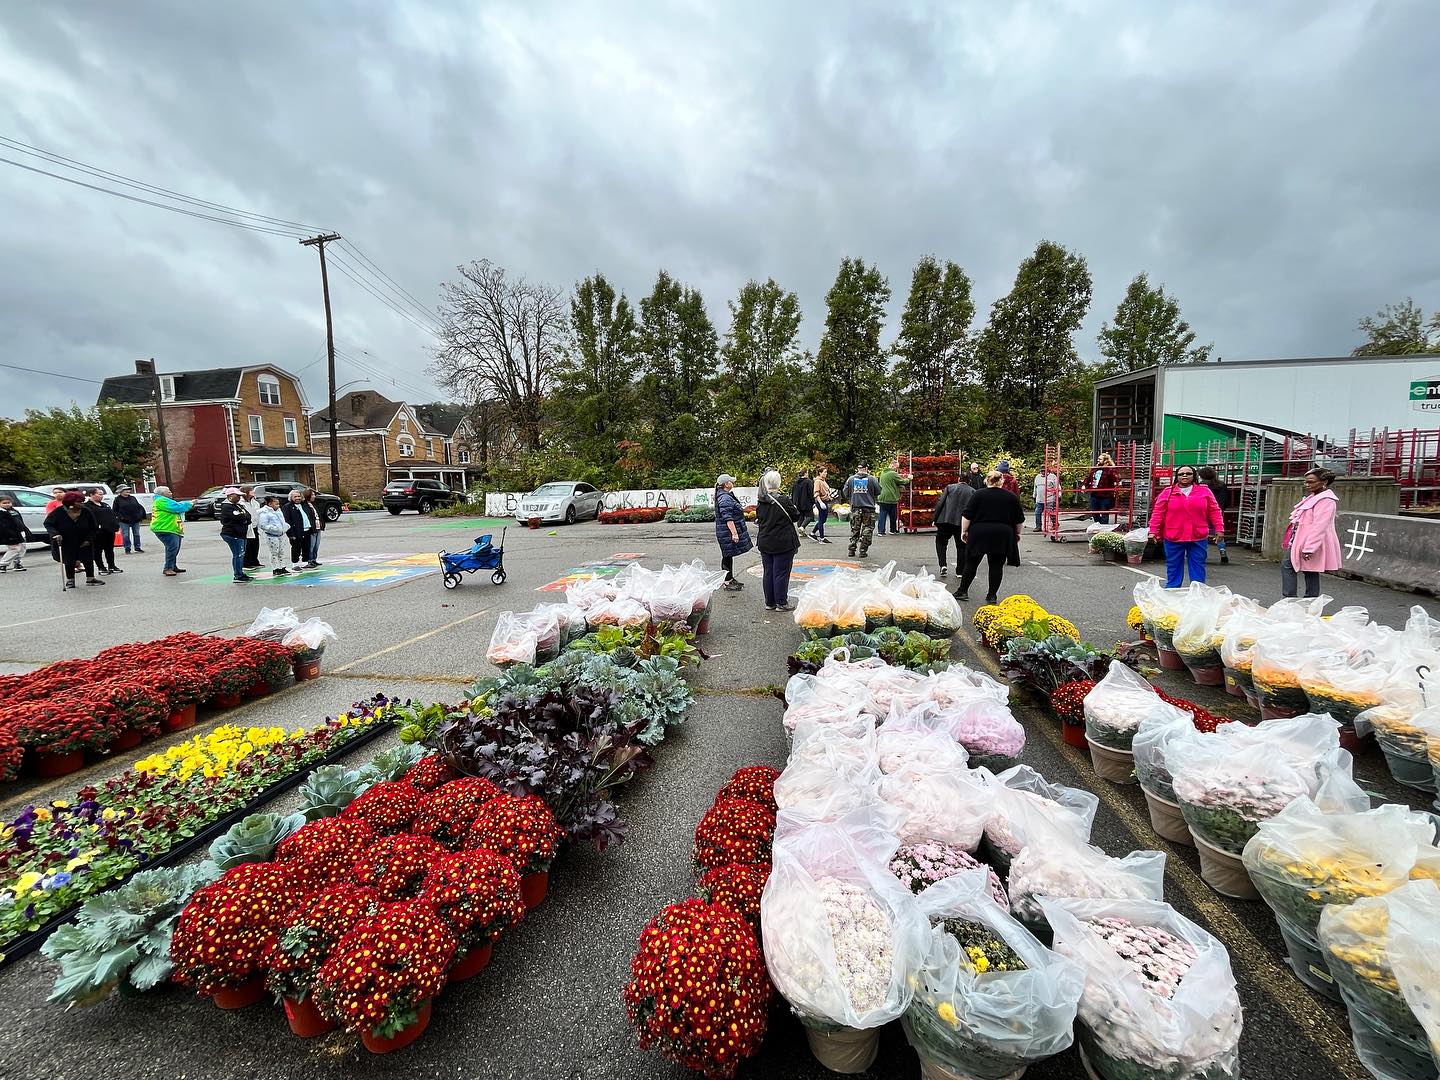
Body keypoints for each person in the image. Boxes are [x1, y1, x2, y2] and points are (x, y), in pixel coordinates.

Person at [1147, 465, 1224, 589]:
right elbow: (1158, 513)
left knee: (1198, 565)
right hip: (1174, 536)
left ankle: (1198, 593)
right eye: (1181, 474)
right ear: (1176, 477)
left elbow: (1214, 511)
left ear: (1194, 476)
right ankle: (1172, 592)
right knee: (1173, 566)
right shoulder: (1167, 492)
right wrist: (1153, 531)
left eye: (1188, 473)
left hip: (1198, 536)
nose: (1185, 476)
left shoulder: (1204, 491)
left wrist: (1219, 529)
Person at [955, 471, 1024, 604]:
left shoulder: (978, 494)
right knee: (996, 565)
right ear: (1001, 481)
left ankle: (962, 591)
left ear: (987, 481)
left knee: (971, 563)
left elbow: (967, 515)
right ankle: (992, 595)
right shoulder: (1011, 497)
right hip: (1002, 533)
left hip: (979, 532)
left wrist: (964, 531)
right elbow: (1019, 519)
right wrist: (1018, 533)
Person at [1282, 468, 1341, 599]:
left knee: (1291, 566)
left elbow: (1320, 526)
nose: (1307, 484)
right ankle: (1307, 600)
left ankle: (1291, 599)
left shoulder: (1326, 501)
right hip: (1302, 539)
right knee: (1310, 570)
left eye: (1311, 482)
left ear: (1324, 482)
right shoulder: (1315, 497)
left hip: (1309, 541)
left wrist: (1310, 547)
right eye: (1306, 482)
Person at [756, 469, 802, 611]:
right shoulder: (783, 500)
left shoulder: (761, 501)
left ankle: (770, 602)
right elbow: (795, 516)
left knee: (768, 572)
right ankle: (781, 602)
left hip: (765, 540)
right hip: (783, 541)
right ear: (778, 482)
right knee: (781, 572)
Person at [44, 492, 102, 589]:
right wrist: (55, 534)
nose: (82, 504)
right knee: (69, 560)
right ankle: (70, 580)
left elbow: (94, 527)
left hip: (84, 539)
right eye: (79, 502)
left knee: (88, 558)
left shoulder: (86, 511)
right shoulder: (59, 512)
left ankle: (90, 578)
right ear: (70, 503)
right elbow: (48, 524)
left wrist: (89, 539)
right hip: (66, 540)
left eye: (83, 502)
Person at [712, 474, 752, 590]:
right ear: (726, 484)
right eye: (730, 481)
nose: (732, 483)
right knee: (727, 555)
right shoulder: (725, 498)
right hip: (727, 532)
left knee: (728, 555)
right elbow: (728, 518)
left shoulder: (725, 495)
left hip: (725, 532)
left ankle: (729, 578)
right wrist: (734, 533)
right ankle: (727, 581)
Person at [932, 476, 974, 580]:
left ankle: (943, 564)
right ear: (969, 481)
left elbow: (940, 503)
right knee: (961, 546)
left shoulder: (950, 487)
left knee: (941, 542)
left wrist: (935, 518)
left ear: (959, 479)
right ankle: (960, 571)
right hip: (962, 522)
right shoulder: (972, 491)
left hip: (945, 519)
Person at [150, 486, 193, 577]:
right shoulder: (162, 501)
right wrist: (189, 503)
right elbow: (177, 507)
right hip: (165, 528)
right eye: (168, 491)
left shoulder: (163, 501)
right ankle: (168, 568)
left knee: (174, 548)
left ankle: (172, 566)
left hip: (171, 528)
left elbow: (176, 505)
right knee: (172, 548)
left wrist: (187, 503)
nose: (171, 493)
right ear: (162, 494)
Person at [842, 463, 881, 559]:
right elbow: (878, 491)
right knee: (867, 528)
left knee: (855, 529)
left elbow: (845, 492)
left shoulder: (850, 479)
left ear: (858, 469)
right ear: (866, 468)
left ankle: (852, 549)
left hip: (855, 507)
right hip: (868, 508)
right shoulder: (872, 479)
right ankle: (863, 550)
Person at [217, 487, 255, 583]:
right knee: (238, 554)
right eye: (237, 495)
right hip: (232, 534)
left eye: (239, 496)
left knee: (241, 554)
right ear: (230, 496)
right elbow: (237, 518)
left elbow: (248, 516)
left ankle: (240, 573)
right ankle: (238, 575)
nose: (238, 498)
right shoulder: (227, 507)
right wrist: (243, 518)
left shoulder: (238, 506)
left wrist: (244, 518)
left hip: (241, 534)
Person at [1197, 466, 1230, 565]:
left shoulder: (1201, 486)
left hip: (1203, 512)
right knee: (1218, 532)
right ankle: (1222, 550)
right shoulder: (1222, 485)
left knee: (1203, 534)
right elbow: (1226, 499)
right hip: (1218, 511)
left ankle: (1202, 554)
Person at [86, 488, 121, 574]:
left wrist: (116, 526)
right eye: (99, 494)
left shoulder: (105, 505)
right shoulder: (87, 506)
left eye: (102, 494)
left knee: (109, 549)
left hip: (109, 531)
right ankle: (101, 567)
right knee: (97, 550)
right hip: (97, 532)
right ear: (91, 495)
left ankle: (112, 566)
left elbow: (111, 516)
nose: (102, 496)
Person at [283, 490, 319, 572]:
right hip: (296, 531)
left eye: (299, 496)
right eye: (295, 497)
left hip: (307, 530)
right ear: (291, 498)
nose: (297, 498)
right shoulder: (287, 507)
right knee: (296, 548)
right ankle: (295, 564)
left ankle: (305, 562)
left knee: (306, 547)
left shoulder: (304, 505)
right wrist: (290, 533)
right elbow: (287, 520)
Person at [257, 495, 290, 576]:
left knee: (281, 551)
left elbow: (282, 521)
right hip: (271, 535)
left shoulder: (279, 511)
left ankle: (282, 567)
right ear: (269, 504)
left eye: (278, 504)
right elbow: (263, 525)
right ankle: (275, 568)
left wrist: (285, 527)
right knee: (274, 552)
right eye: (276, 504)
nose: (278, 506)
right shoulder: (264, 512)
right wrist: (274, 529)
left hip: (281, 534)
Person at [1083, 454, 1120, 526]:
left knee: (1104, 513)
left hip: (1105, 495)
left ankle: (1103, 528)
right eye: (1098, 459)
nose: (1098, 460)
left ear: (1105, 460)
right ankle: (1098, 525)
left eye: (1100, 459)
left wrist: (1109, 468)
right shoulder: (1095, 469)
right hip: (1094, 493)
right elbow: (1088, 478)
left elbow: (1117, 478)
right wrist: (1085, 485)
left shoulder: (1110, 470)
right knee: (1094, 512)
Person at [876, 460, 910, 536]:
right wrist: (909, 478)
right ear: (892, 465)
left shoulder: (883, 472)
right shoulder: (893, 473)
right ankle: (893, 529)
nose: (896, 470)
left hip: (882, 496)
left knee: (882, 514)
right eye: (896, 468)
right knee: (893, 515)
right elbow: (902, 482)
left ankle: (881, 531)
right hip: (891, 497)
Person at [113, 485, 146, 553]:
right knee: (125, 535)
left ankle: (137, 547)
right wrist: (119, 517)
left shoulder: (133, 498)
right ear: (121, 491)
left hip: (135, 519)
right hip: (124, 521)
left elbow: (138, 507)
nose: (128, 491)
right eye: (125, 490)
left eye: (128, 490)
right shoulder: (117, 499)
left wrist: (140, 515)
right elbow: (114, 510)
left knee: (136, 534)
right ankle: (127, 548)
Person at [0, 495, 27, 573]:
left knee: (22, 549)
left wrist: (25, 531)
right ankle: (3, 564)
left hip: (20, 532)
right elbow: (4, 526)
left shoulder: (14, 511)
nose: (7, 504)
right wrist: (10, 536)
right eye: (4, 503)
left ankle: (17, 563)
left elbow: (20, 522)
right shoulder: (2, 513)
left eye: (9, 502)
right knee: (14, 549)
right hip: (10, 535)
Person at [809, 467, 834, 544]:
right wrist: (820, 502)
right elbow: (816, 493)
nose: (826, 473)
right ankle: (822, 538)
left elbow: (826, 491)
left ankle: (812, 533)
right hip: (821, 501)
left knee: (823, 520)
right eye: (824, 472)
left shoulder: (823, 481)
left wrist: (829, 497)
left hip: (825, 501)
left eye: (826, 472)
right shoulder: (818, 481)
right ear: (820, 473)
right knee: (821, 519)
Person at [241, 486, 263, 570]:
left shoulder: (255, 502)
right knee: (248, 545)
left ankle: (254, 561)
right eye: (251, 491)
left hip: (255, 526)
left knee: (255, 544)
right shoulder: (241, 503)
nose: (253, 493)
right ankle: (247, 563)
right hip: (247, 527)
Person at [303, 489, 325, 568]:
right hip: (312, 528)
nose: (314, 496)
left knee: (316, 545)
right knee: (311, 545)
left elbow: (318, 515)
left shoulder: (314, 504)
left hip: (318, 527)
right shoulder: (305, 505)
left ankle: (314, 559)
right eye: (312, 495)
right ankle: (309, 560)